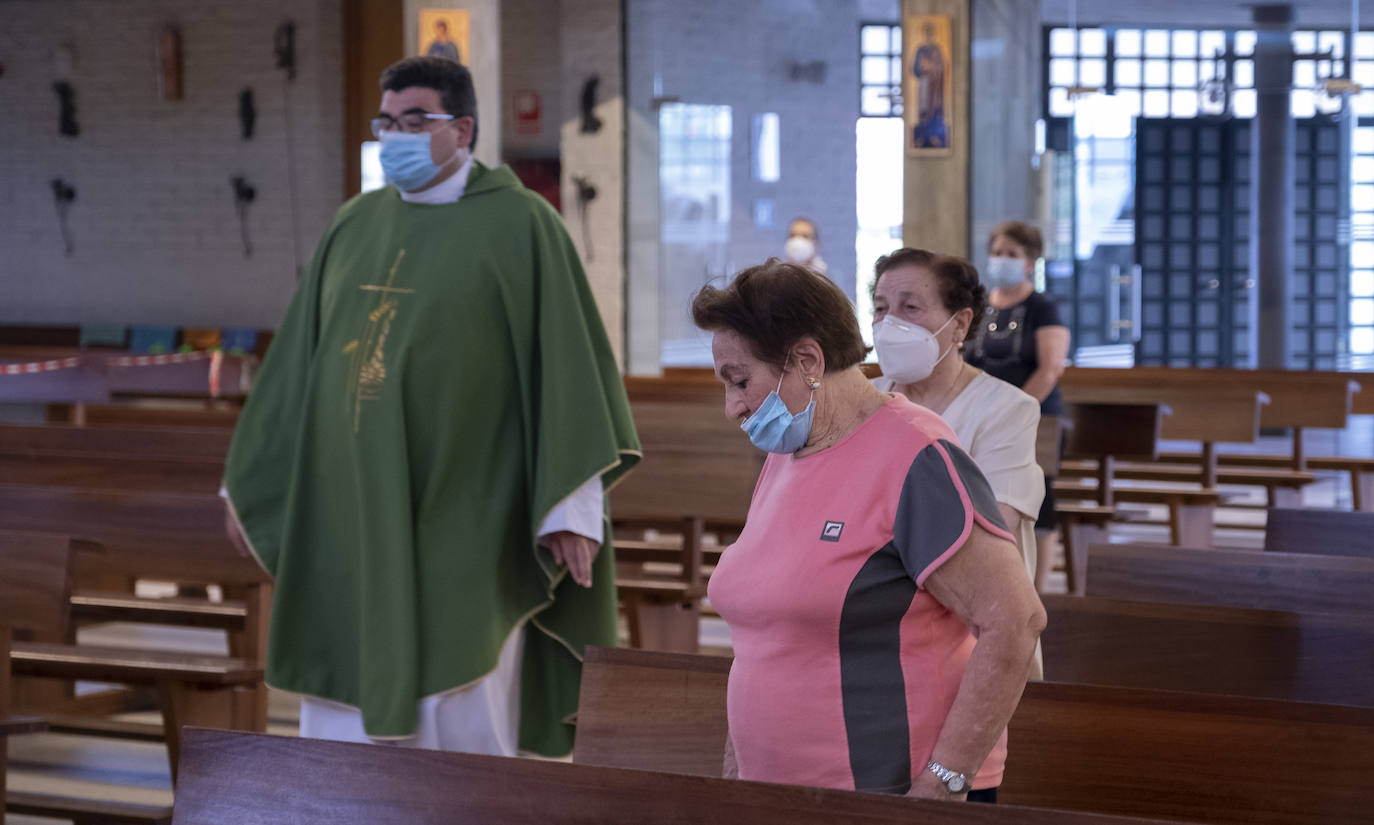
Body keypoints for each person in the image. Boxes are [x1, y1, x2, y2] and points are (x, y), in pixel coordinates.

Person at [221, 57, 640, 758]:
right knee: (342, 727)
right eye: (386, 122)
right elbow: (296, 364)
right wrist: (249, 482)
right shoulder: (352, 225)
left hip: (471, 510)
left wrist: (571, 508)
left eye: (415, 121)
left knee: (460, 713)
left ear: (463, 129)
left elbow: (567, 370)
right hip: (351, 513)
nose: (395, 137)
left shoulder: (522, 226)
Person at [692, 260, 1045, 802]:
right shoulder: (789, 453)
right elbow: (766, 637)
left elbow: (1015, 620)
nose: (732, 407)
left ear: (808, 360)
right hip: (781, 789)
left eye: (741, 381)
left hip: (887, 793)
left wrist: (945, 781)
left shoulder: (915, 455)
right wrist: (738, 769)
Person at [869, 248, 1045, 679]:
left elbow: (990, 531)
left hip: (969, 630)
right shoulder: (861, 401)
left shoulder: (1005, 409)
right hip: (872, 621)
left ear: (960, 324)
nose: (890, 323)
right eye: (880, 308)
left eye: (910, 307)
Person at [965, 222, 1070, 593]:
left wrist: (1015, 410)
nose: (1002, 260)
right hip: (980, 417)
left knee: (1036, 500)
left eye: (1012, 254)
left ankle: (1036, 590)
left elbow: (1050, 367)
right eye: (998, 252)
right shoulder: (978, 307)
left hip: (1033, 417)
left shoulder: (1042, 307)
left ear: (1030, 262)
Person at [912, 23, 947, 149]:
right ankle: (923, 137)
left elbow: (942, 68)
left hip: (935, 87)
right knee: (923, 111)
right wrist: (923, 68)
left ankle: (934, 136)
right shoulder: (920, 50)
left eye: (930, 33)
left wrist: (932, 67)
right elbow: (915, 69)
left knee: (935, 110)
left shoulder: (936, 50)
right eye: (927, 33)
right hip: (924, 85)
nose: (928, 36)